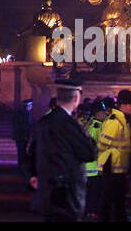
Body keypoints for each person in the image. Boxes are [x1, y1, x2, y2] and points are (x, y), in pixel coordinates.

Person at [24, 81, 97, 221]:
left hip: (47, 190)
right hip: (68, 192)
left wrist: (32, 175)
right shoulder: (71, 124)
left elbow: (31, 151)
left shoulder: (43, 122)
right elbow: (89, 153)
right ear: (76, 98)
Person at [97, 89, 131, 221]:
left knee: (117, 199)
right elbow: (102, 144)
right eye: (130, 104)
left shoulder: (122, 120)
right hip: (112, 166)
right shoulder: (115, 121)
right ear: (123, 105)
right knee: (110, 200)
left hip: (117, 166)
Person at [11, 99, 33, 191]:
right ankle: (22, 170)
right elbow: (27, 126)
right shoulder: (26, 114)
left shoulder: (19, 113)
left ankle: (20, 168)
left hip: (18, 137)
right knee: (22, 153)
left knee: (20, 153)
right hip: (23, 137)